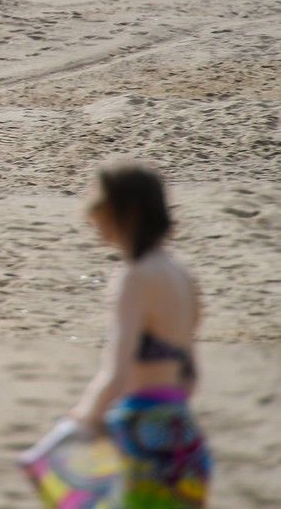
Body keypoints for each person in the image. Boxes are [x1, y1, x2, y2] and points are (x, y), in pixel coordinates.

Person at [68, 163, 211, 508]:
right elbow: (190, 377)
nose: (90, 214)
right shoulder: (182, 275)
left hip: (140, 441)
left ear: (124, 212)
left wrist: (80, 421)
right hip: (184, 441)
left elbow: (115, 375)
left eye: (98, 205)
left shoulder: (134, 278)